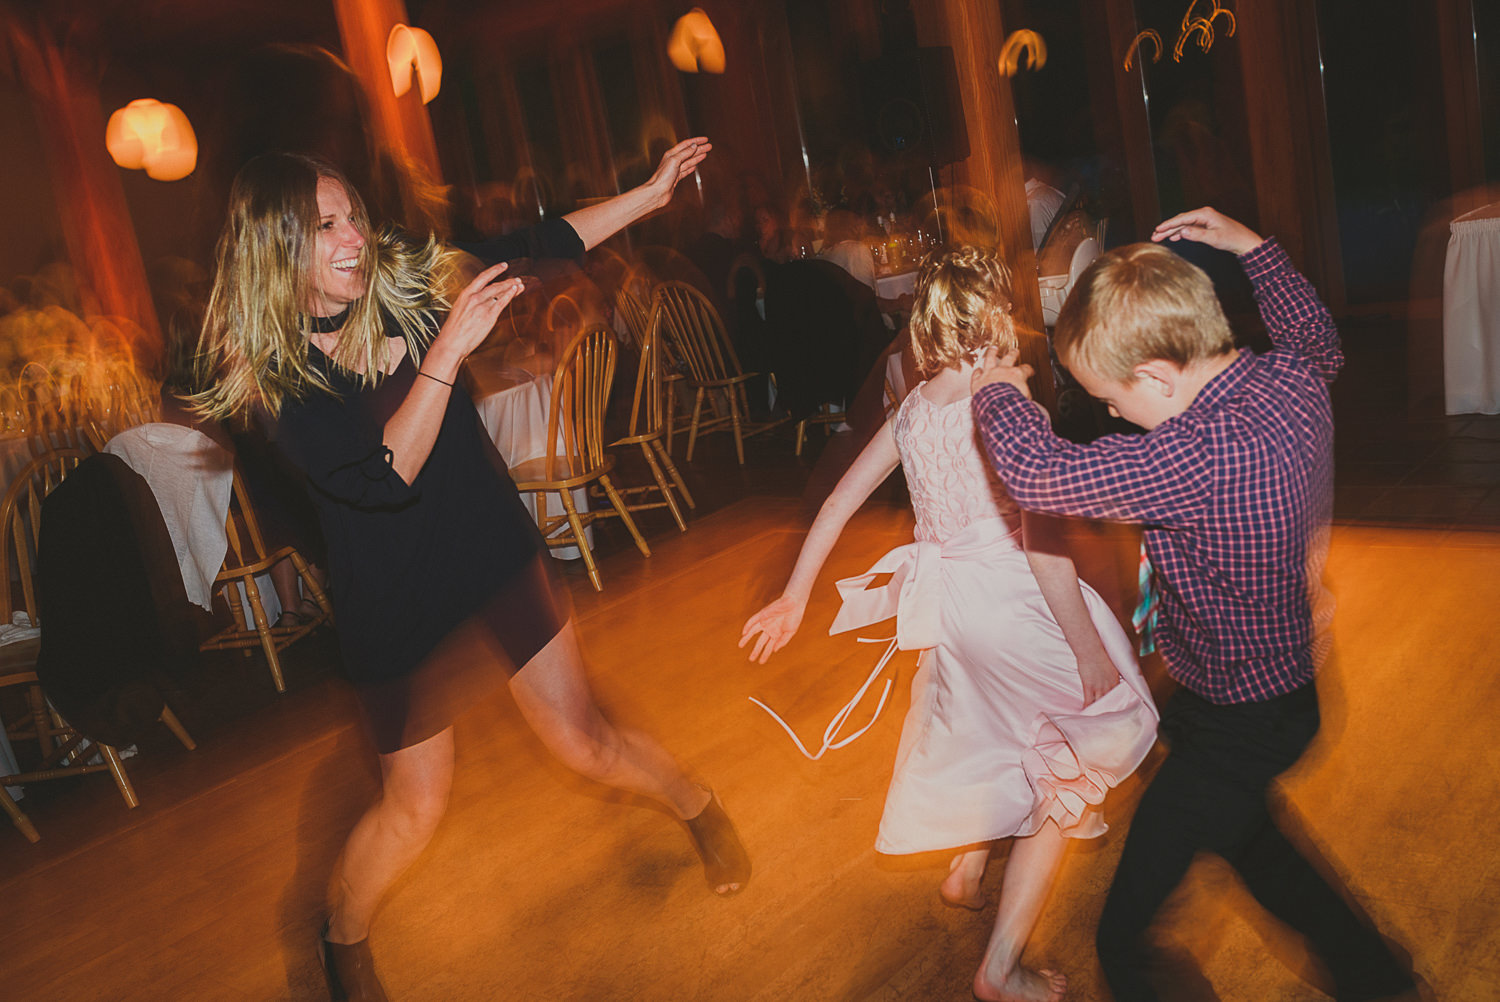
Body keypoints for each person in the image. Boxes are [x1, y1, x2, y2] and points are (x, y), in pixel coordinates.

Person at [192, 140, 750, 1002]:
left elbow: (540, 239)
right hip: (389, 592)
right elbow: (382, 477)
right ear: (274, 249)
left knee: (583, 740)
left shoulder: (409, 283)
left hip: (487, 544)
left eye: (355, 217)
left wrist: (646, 195)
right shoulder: (274, 382)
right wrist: (445, 352)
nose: (354, 239)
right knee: (414, 808)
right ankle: (342, 937)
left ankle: (698, 805)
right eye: (324, 227)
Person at [969, 207, 1419, 1002]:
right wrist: (1256, 251)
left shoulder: (1192, 456)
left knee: (1124, 939)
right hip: (1282, 689)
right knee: (1258, 850)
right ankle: (1381, 984)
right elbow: (1319, 336)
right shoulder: (1291, 380)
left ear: (1156, 377)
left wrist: (996, 393)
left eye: (1109, 397)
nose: (1109, 414)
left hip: (1234, 719)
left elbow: (1038, 476)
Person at [740, 246, 1159, 1002]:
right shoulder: (1007, 408)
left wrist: (796, 595)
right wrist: (1088, 649)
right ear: (994, 316)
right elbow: (1042, 545)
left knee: (995, 735)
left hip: (943, 615)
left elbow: (837, 501)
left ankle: (968, 868)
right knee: (1063, 774)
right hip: (1008, 601)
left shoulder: (910, 411)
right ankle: (1000, 967)